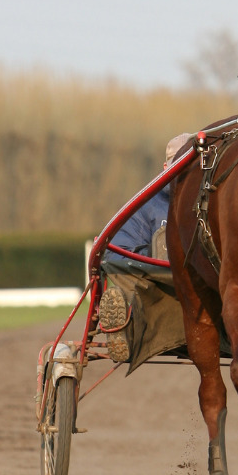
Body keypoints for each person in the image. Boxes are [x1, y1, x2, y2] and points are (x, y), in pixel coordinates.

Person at [99, 133, 192, 363]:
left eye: (191, 164)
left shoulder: (221, 201)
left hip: (204, 291)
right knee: (120, 265)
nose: (185, 172)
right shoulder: (148, 203)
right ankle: (126, 328)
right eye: (178, 164)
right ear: (165, 167)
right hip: (159, 289)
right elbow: (119, 249)